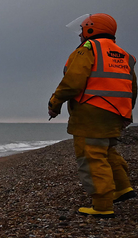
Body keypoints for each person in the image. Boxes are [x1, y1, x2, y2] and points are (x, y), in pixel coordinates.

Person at [47, 13, 135, 216]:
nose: (80, 34)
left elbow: (73, 82)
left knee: (92, 157)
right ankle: (123, 189)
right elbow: (133, 88)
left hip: (90, 112)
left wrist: (54, 103)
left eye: (83, 29)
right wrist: (125, 115)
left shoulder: (89, 49)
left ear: (91, 30)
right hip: (116, 113)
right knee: (108, 152)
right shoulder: (125, 55)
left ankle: (102, 205)